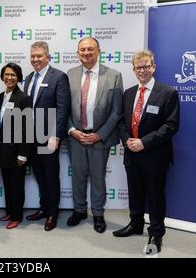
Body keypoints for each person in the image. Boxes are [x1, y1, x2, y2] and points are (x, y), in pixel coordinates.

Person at [114, 50, 179, 254]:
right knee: (135, 192)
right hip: (131, 152)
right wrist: (127, 141)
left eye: (146, 66)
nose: (142, 71)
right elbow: (122, 121)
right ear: (133, 70)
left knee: (155, 195)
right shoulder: (129, 93)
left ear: (153, 67)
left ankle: (156, 233)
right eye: (138, 67)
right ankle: (135, 224)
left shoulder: (168, 92)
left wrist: (144, 142)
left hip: (154, 154)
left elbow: (171, 125)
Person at [66, 37, 123, 233]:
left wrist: (99, 134)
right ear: (77, 53)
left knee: (98, 178)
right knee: (78, 177)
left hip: (100, 137)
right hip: (76, 137)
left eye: (90, 49)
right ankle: (80, 210)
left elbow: (117, 112)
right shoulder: (71, 74)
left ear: (99, 51)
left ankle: (98, 214)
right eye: (82, 50)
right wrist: (72, 131)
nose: (86, 53)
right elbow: (64, 108)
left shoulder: (114, 75)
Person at [24, 41, 71, 231]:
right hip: (31, 138)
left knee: (51, 175)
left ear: (48, 57)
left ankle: (53, 213)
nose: (35, 59)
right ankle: (44, 208)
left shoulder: (58, 77)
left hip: (49, 136)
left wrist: (56, 136)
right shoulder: (28, 78)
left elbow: (62, 109)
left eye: (39, 56)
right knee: (40, 175)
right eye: (33, 56)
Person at [0, 63, 31, 229]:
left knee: (16, 185)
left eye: (13, 75)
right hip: (3, 149)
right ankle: (10, 211)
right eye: (6, 74)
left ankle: (16, 216)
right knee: (7, 183)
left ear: (18, 78)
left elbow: (28, 127)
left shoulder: (23, 98)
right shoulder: (0, 97)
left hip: (17, 150)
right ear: (2, 77)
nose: (9, 78)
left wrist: (23, 154)